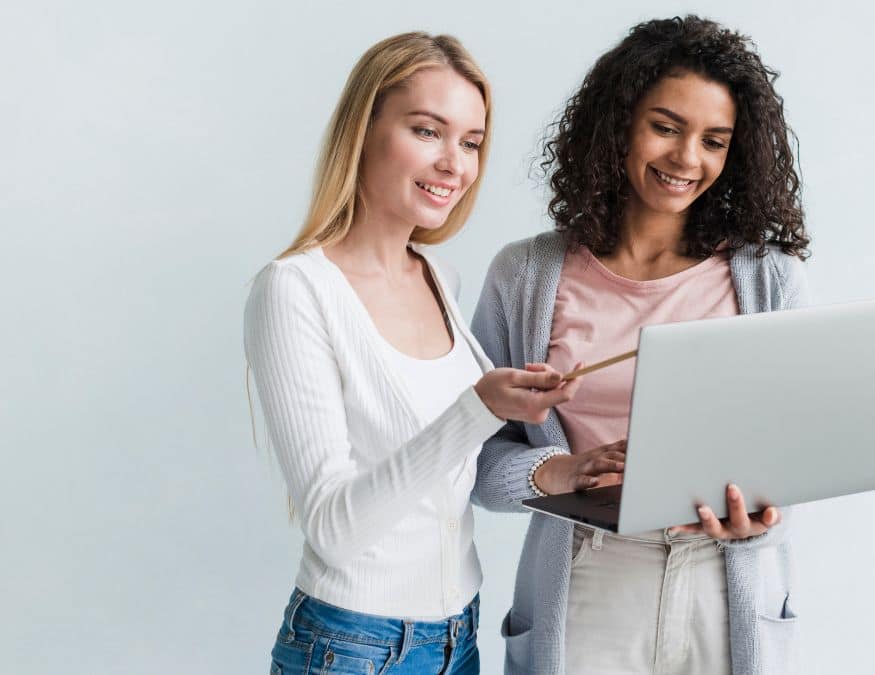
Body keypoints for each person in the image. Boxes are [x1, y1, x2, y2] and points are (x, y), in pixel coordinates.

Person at [471, 16, 812, 675]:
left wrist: (760, 521)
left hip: (726, 584)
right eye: (665, 126)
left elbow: (797, 456)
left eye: (714, 141)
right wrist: (561, 471)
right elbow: (474, 460)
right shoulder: (525, 275)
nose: (687, 159)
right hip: (587, 575)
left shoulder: (770, 278)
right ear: (619, 123)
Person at [244, 33, 578, 675]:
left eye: (472, 142)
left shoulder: (438, 277)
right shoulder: (295, 289)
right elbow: (333, 530)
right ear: (363, 130)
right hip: (351, 646)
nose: (455, 164)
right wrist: (479, 408)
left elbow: (454, 474)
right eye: (428, 131)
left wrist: (561, 467)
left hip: (459, 635)